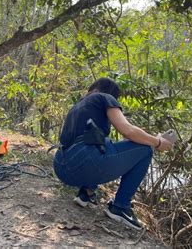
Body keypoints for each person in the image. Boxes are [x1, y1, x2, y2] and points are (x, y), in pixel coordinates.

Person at [53, 78, 173, 230]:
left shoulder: (78, 105)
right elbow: (127, 131)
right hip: (84, 163)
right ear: (112, 95)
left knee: (102, 142)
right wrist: (158, 142)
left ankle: (86, 193)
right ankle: (121, 207)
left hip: (60, 165)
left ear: (91, 89)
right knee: (145, 150)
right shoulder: (105, 97)